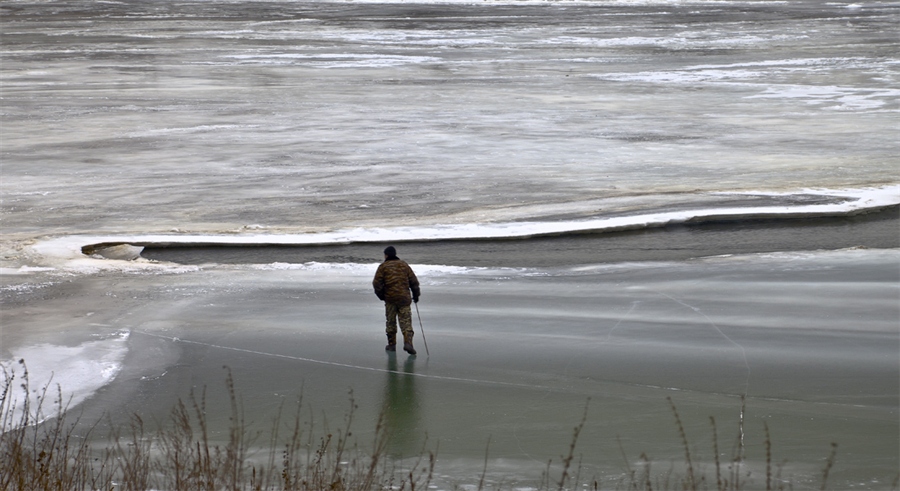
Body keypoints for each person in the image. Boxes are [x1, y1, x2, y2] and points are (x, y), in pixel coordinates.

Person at [373, 246, 421, 355]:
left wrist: (382, 296)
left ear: (386, 255)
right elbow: (414, 281)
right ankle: (408, 343)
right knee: (406, 321)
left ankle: (391, 345)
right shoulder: (404, 265)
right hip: (404, 298)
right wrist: (416, 295)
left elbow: (376, 284)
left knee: (390, 322)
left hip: (390, 299)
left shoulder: (383, 267)